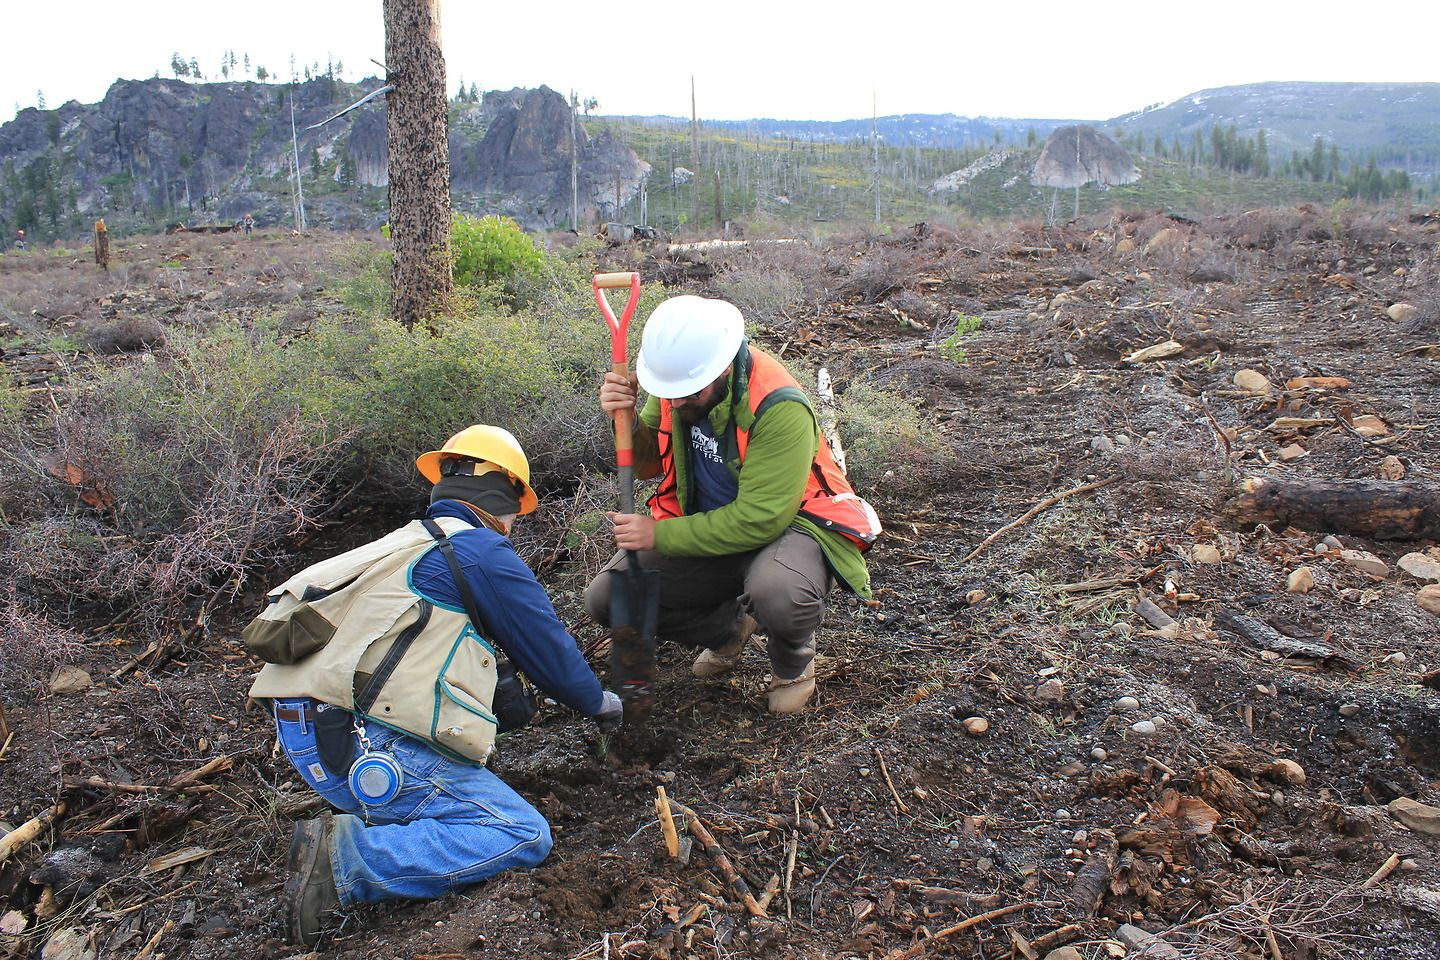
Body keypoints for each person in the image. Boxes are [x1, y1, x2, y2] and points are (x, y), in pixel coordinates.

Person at [245, 425, 622, 946]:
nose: (514, 522)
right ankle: (347, 864)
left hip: (309, 737)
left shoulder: (404, 545)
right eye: (517, 505)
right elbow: (551, 653)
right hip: (360, 746)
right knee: (520, 833)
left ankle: (375, 824)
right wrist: (597, 701)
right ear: (502, 490)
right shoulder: (479, 550)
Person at [584, 295, 880, 715]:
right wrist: (628, 419)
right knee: (610, 597)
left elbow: (760, 520)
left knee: (778, 593)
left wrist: (658, 533)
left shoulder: (779, 405)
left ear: (722, 368)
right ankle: (728, 631)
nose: (678, 403)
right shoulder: (677, 386)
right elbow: (649, 461)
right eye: (670, 394)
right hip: (711, 525)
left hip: (790, 527)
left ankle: (792, 661)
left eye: (689, 394)